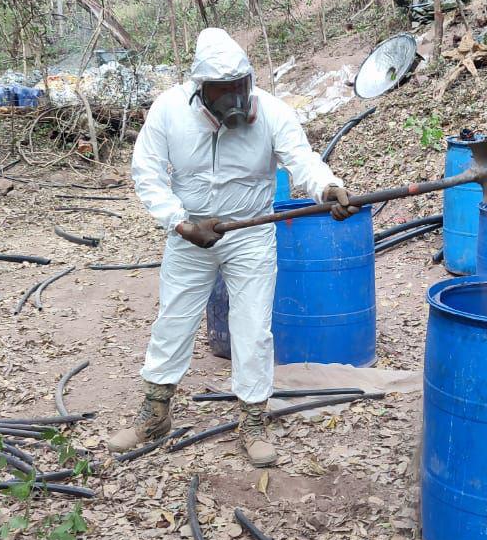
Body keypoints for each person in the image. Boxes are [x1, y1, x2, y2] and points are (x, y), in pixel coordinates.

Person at [110, 28, 357, 465]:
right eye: (221, 92)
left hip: (250, 233)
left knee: (252, 327)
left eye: (239, 89)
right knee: (174, 319)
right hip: (191, 232)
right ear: (199, 90)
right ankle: (155, 411)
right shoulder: (169, 111)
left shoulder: (274, 113)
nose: (234, 102)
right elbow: (146, 171)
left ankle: (253, 418)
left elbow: (302, 160)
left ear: (249, 80)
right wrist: (180, 222)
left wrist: (328, 187)